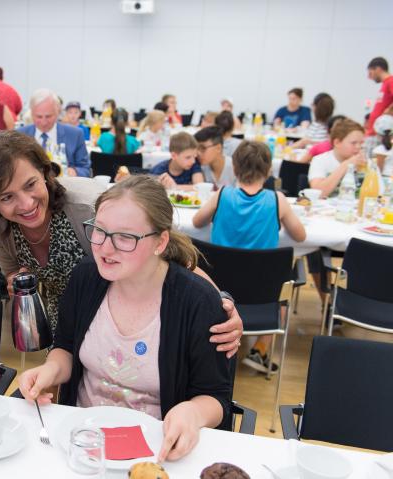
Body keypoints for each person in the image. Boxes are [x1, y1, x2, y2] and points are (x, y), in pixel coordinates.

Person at [0, 131, 244, 357]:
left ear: (45, 171)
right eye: (6, 197)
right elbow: (15, 270)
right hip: (65, 334)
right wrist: (16, 280)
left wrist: (221, 303)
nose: (26, 205)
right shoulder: (0, 227)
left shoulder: (88, 209)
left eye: (30, 185)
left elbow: (173, 257)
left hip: (125, 331)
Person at [18, 175, 233, 462]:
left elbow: (216, 396)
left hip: (157, 450)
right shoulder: (86, 277)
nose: (105, 249)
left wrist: (192, 412)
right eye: (100, 231)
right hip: (81, 441)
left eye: (125, 237)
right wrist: (51, 371)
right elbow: (66, 348)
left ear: (160, 242)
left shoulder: (195, 301)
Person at [193, 141, 306, 373]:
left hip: (219, 287)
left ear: (234, 169)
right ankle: (262, 348)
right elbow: (300, 236)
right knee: (285, 284)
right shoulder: (277, 200)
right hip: (262, 292)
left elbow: (196, 222)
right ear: (268, 171)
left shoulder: (222, 195)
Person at [17, 88, 91, 177]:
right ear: (31, 113)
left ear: (58, 112)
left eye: (48, 116)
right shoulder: (20, 135)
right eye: (39, 117)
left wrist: (74, 172)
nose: (44, 122)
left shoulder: (75, 134)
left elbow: (86, 169)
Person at [308, 118, 366, 198]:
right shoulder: (320, 160)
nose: (358, 147)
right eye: (354, 143)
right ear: (337, 143)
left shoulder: (365, 162)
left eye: (361, 143)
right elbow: (318, 194)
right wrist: (346, 165)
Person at [365, 57, 393, 139]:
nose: (369, 77)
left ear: (378, 69)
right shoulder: (385, 84)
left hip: (381, 133)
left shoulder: (390, 81)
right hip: (374, 132)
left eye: (370, 73)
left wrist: (389, 110)